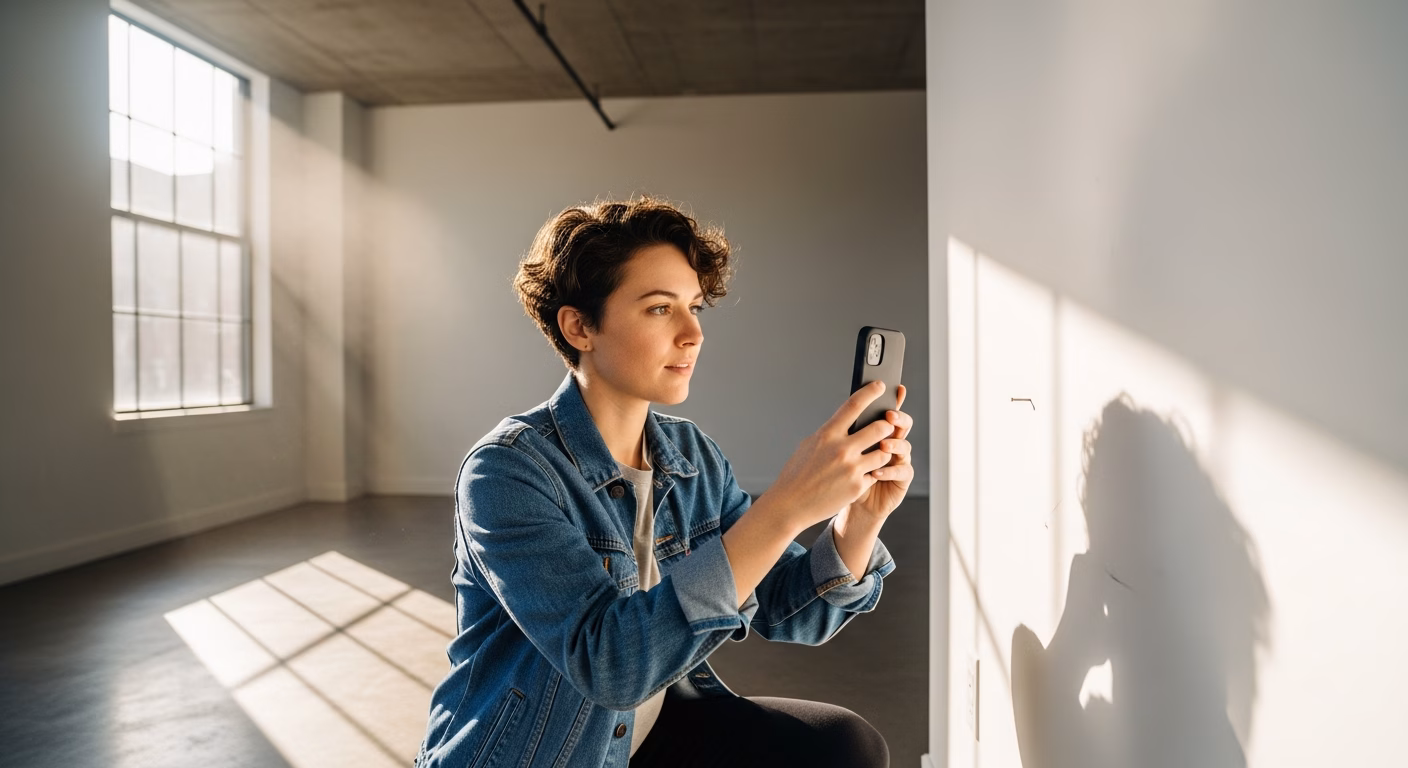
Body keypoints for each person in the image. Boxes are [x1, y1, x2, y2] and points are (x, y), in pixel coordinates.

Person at [414, 197, 916, 768]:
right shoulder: (506, 472)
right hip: (544, 754)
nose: (693, 333)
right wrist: (786, 507)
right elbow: (610, 665)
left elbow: (790, 610)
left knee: (841, 747)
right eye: (659, 309)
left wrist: (861, 515)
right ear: (580, 326)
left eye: (695, 307)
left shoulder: (690, 454)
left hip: (645, 733)